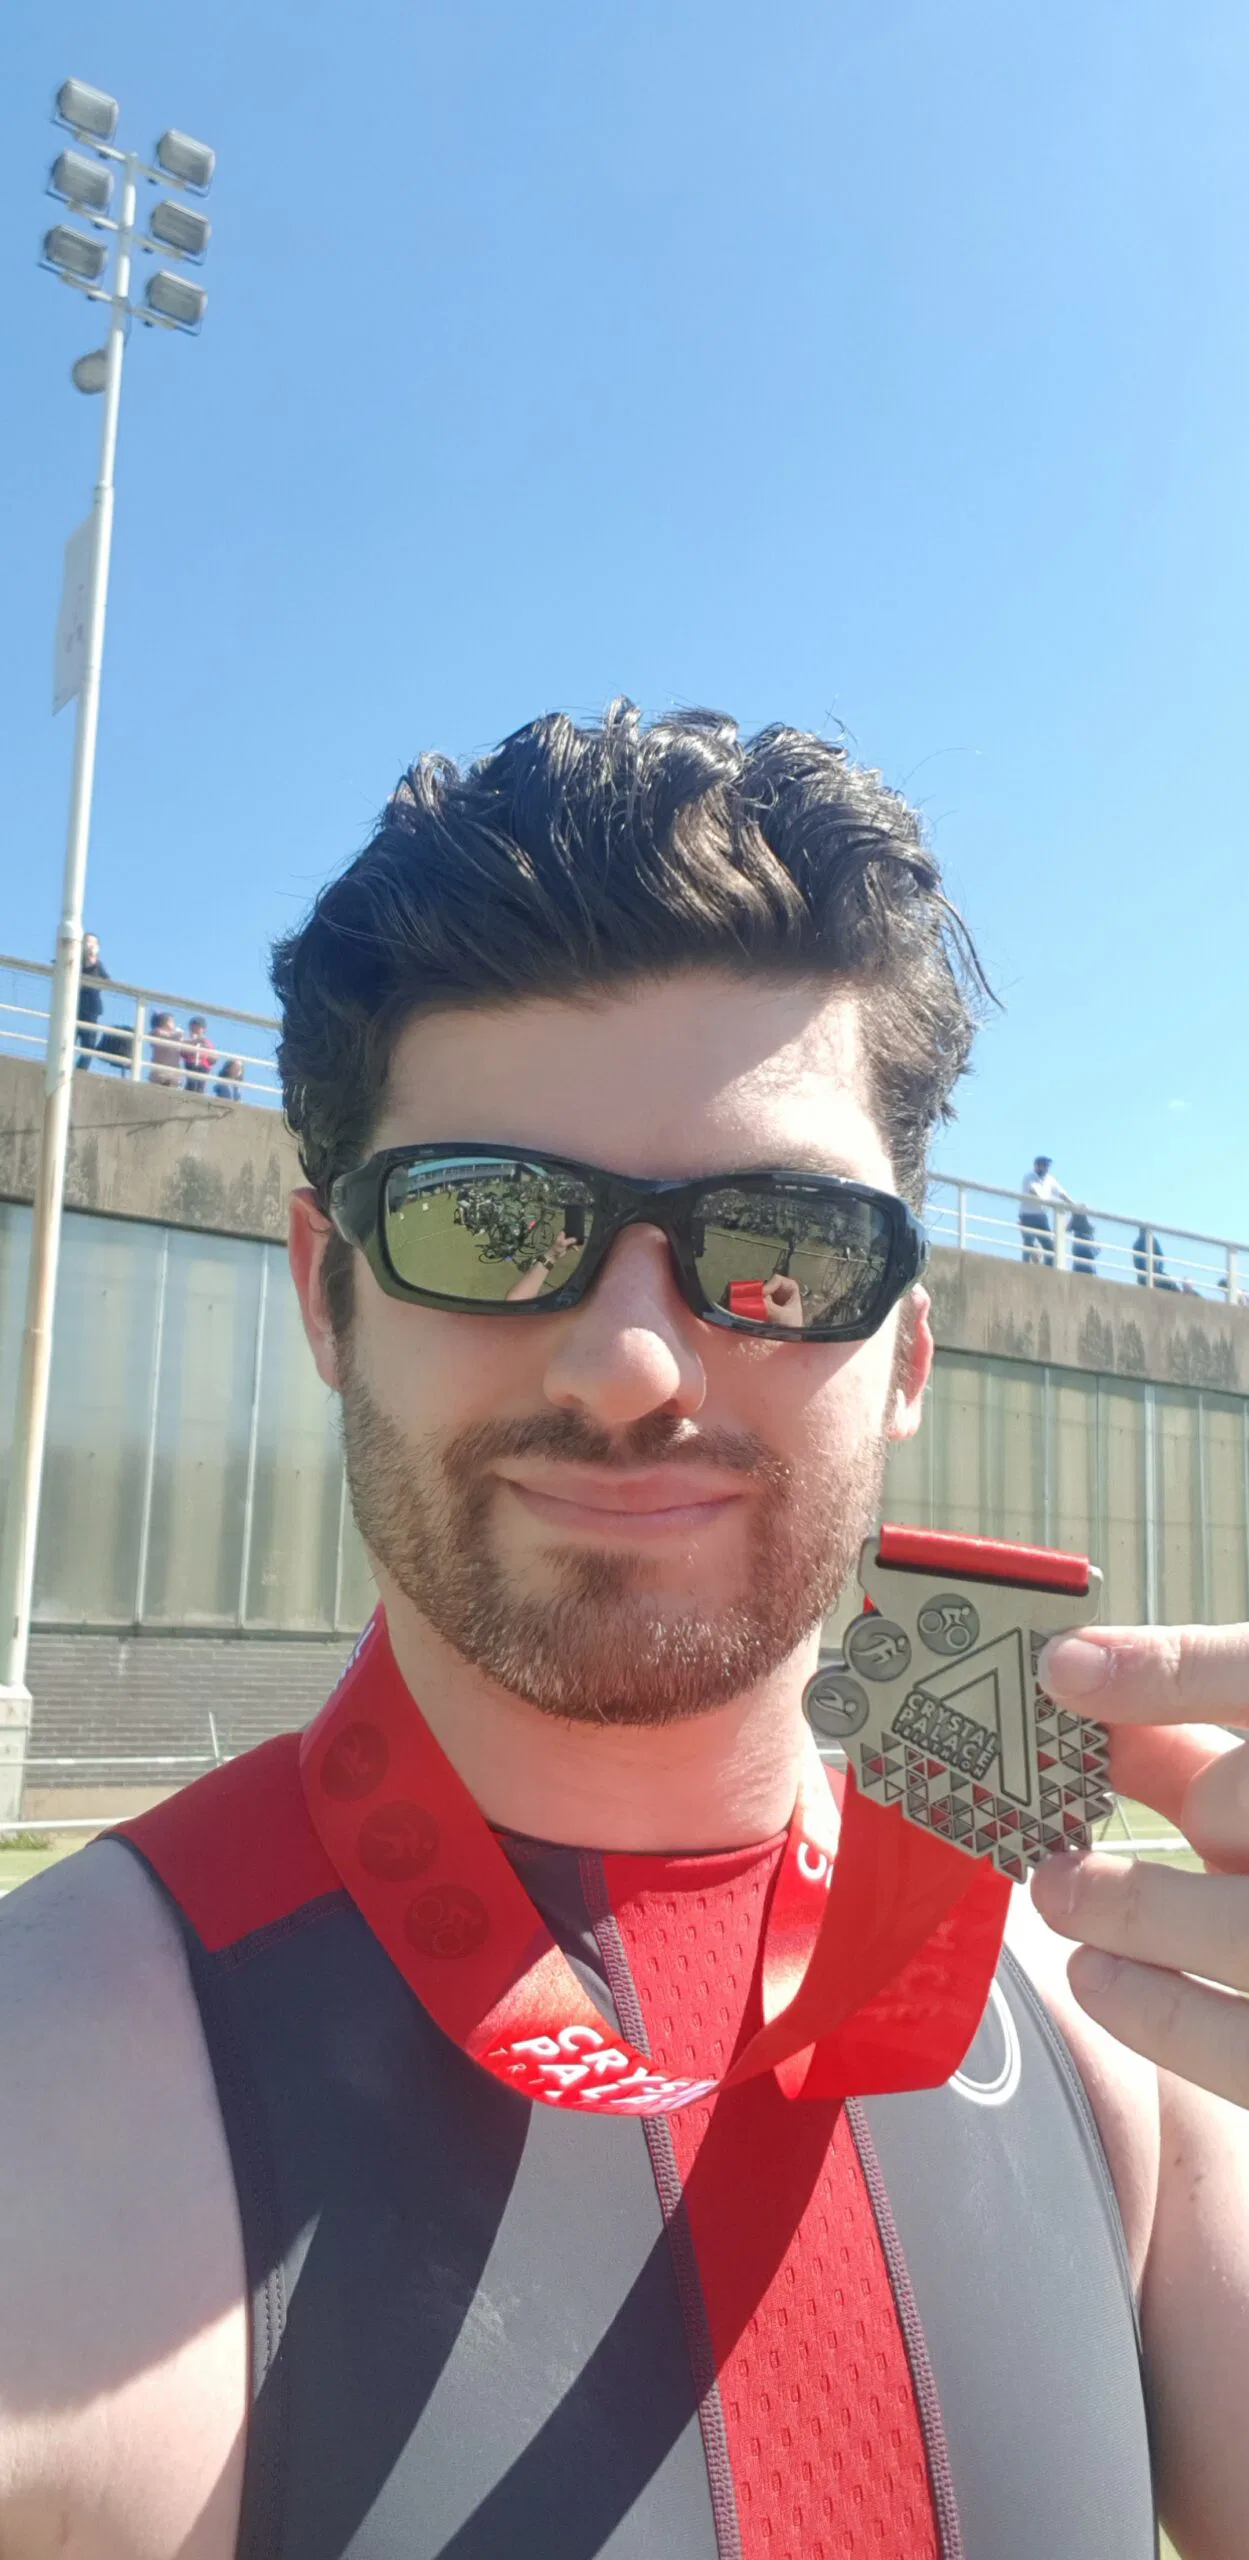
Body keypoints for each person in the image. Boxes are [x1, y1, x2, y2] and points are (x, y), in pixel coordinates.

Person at [2, 707, 1247, 2560]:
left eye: (780, 1242)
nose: (633, 1364)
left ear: (900, 1352)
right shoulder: (53, 2086)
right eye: (484, 1223)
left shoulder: (1105, 2004)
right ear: (325, 1293)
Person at [1018, 1154, 1071, 1264]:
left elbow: (1061, 1192)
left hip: (1041, 1216)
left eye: (1047, 1165)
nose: (1046, 1168)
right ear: (1037, 1166)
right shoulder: (1029, 1177)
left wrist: (1072, 1204)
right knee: (1028, 1243)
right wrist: (1051, 1201)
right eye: (1044, 1165)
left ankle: (1049, 1268)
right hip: (1028, 1215)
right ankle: (1025, 1266)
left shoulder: (1049, 1179)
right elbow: (1035, 1192)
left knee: (1049, 1246)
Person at [74, 930, 108, 1069]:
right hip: (74, 1007)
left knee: (89, 1044)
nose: (90, 946)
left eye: (93, 943)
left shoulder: (98, 966)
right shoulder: (75, 961)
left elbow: (107, 981)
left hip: (91, 1010)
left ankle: (81, 1069)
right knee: (66, 1039)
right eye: (87, 942)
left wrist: (93, 962)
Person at [147, 1009, 183, 1088]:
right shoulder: (156, 1032)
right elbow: (167, 1036)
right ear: (165, 1022)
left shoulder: (176, 1036)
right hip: (160, 1075)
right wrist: (177, 1034)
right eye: (172, 1021)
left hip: (173, 1076)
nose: (174, 1024)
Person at [181, 1015, 217, 1094]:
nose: (194, 1029)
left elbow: (214, 1059)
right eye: (192, 1027)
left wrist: (207, 1051)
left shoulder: (207, 1043)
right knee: (191, 1084)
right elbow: (182, 1052)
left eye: (198, 1027)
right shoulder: (187, 1041)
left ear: (203, 1029)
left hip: (203, 1067)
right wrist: (193, 1043)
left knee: (200, 1085)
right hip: (191, 1064)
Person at [1068, 1208, 1098, 1275]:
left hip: (1080, 1262)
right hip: (1087, 1262)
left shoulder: (1078, 1230)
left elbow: (1067, 1229)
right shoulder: (1087, 1231)